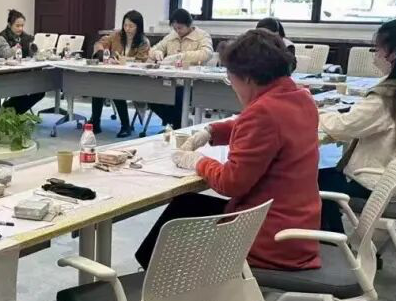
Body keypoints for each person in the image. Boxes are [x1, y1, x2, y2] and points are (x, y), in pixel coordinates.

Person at [137, 29, 320, 271]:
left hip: (268, 236)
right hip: (297, 226)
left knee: (172, 232)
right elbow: (266, 128)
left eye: (230, 79)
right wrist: (212, 131)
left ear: (248, 78)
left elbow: (231, 183)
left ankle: (162, 283)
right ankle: (158, 276)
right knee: (186, 206)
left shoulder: (263, 112)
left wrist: (198, 161)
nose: (232, 86)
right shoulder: (301, 98)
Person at [317, 19, 396, 233]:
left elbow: (345, 127)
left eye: (378, 50)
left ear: (395, 53)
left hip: (379, 185)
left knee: (315, 178)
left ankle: (333, 239)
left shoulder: (388, 96)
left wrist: (314, 112)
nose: (375, 57)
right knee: (328, 174)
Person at [149, 8, 213, 129]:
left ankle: (178, 127)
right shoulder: (171, 36)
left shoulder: (202, 36)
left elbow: (207, 53)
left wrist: (181, 56)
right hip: (170, 81)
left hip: (192, 83)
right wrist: (156, 53)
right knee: (152, 97)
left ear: (189, 25)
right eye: (175, 28)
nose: (177, 31)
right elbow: (153, 49)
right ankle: (179, 124)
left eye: (180, 28)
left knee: (178, 97)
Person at [91, 10, 151, 137]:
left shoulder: (143, 42)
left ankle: (125, 125)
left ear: (138, 27)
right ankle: (95, 122)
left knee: (116, 88)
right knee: (97, 85)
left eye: (131, 26)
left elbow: (141, 61)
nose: (127, 29)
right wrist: (104, 55)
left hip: (133, 78)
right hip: (114, 74)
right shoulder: (116, 35)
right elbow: (99, 44)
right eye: (125, 25)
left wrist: (123, 61)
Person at [0, 10, 44, 115]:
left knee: (40, 89)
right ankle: (7, 112)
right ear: (9, 25)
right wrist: (15, 48)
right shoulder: (2, 37)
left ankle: (9, 111)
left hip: (21, 73)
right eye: (17, 26)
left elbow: (32, 53)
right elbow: (5, 54)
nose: (20, 29)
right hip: (3, 76)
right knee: (21, 88)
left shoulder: (25, 37)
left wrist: (34, 49)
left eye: (22, 26)